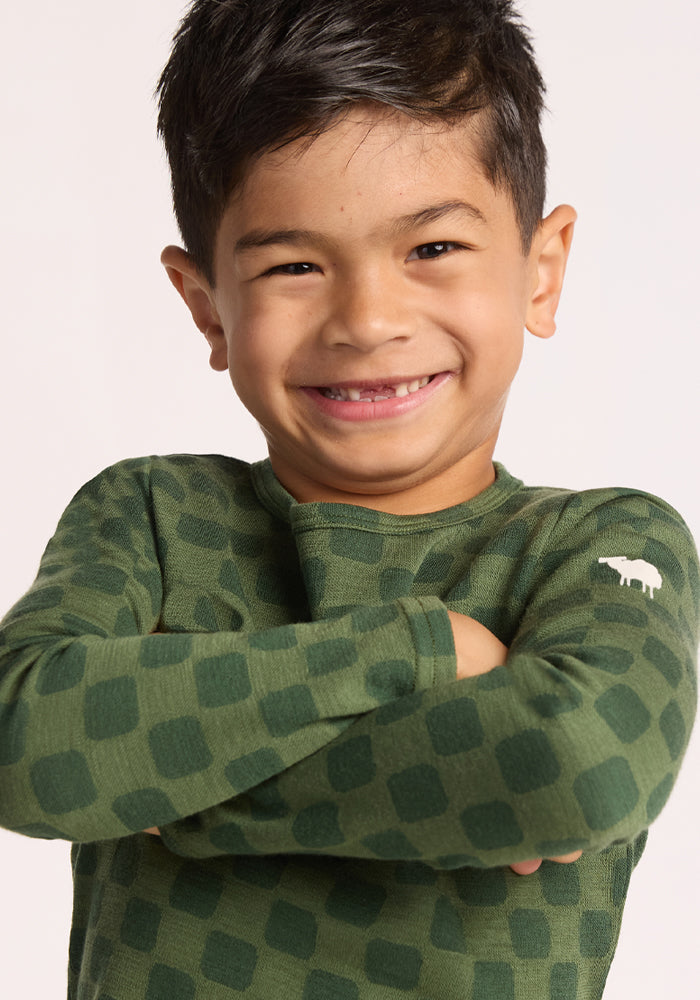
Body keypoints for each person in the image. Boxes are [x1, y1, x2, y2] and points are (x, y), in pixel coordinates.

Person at [0, 1, 696, 997]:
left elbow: (575, 767)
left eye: (433, 250)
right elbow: (30, 746)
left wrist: (177, 781)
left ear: (541, 272)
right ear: (208, 308)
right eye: (293, 265)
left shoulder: (601, 543)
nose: (367, 320)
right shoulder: (150, 516)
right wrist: (416, 649)